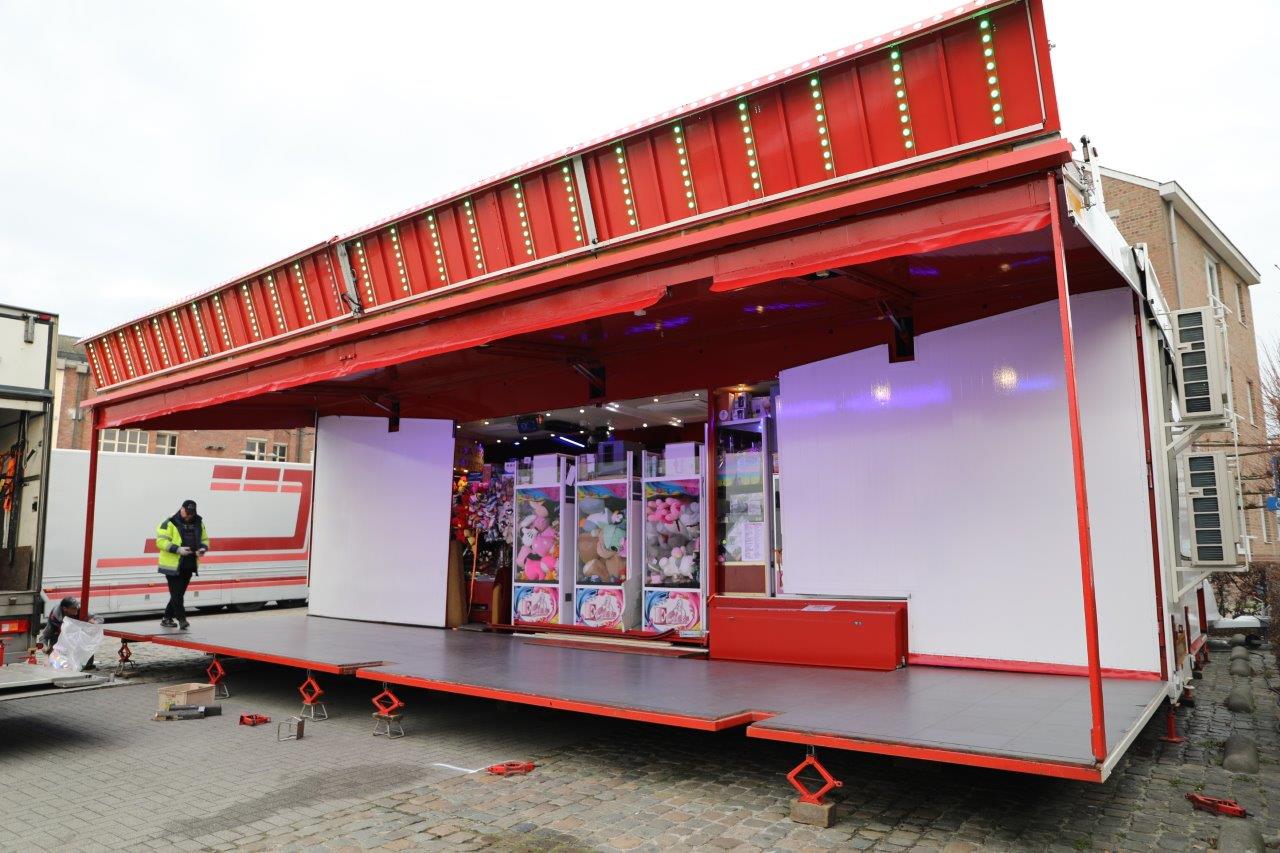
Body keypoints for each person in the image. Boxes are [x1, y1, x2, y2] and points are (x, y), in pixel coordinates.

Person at [156, 499, 209, 630]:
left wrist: (203, 548)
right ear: (182, 509)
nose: (189, 516)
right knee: (177, 595)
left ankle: (167, 618)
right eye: (187, 512)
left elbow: (204, 539)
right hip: (172, 566)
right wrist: (177, 549)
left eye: (192, 513)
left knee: (178, 594)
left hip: (189, 564)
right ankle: (182, 619)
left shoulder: (198, 522)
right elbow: (160, 542)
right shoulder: (169, 522)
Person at [40, 596, 93, 669]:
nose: (76, 608)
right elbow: (45, 635)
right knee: (56, 658)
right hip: (61, 639)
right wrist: (44, 646)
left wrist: (93, 621)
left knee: (86, 641)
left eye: (77, 606)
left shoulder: (80, 610)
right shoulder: (54, 618)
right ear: (65, 609)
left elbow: (98, 619)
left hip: (77, 638)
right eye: (73, 608)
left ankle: (86, 665)